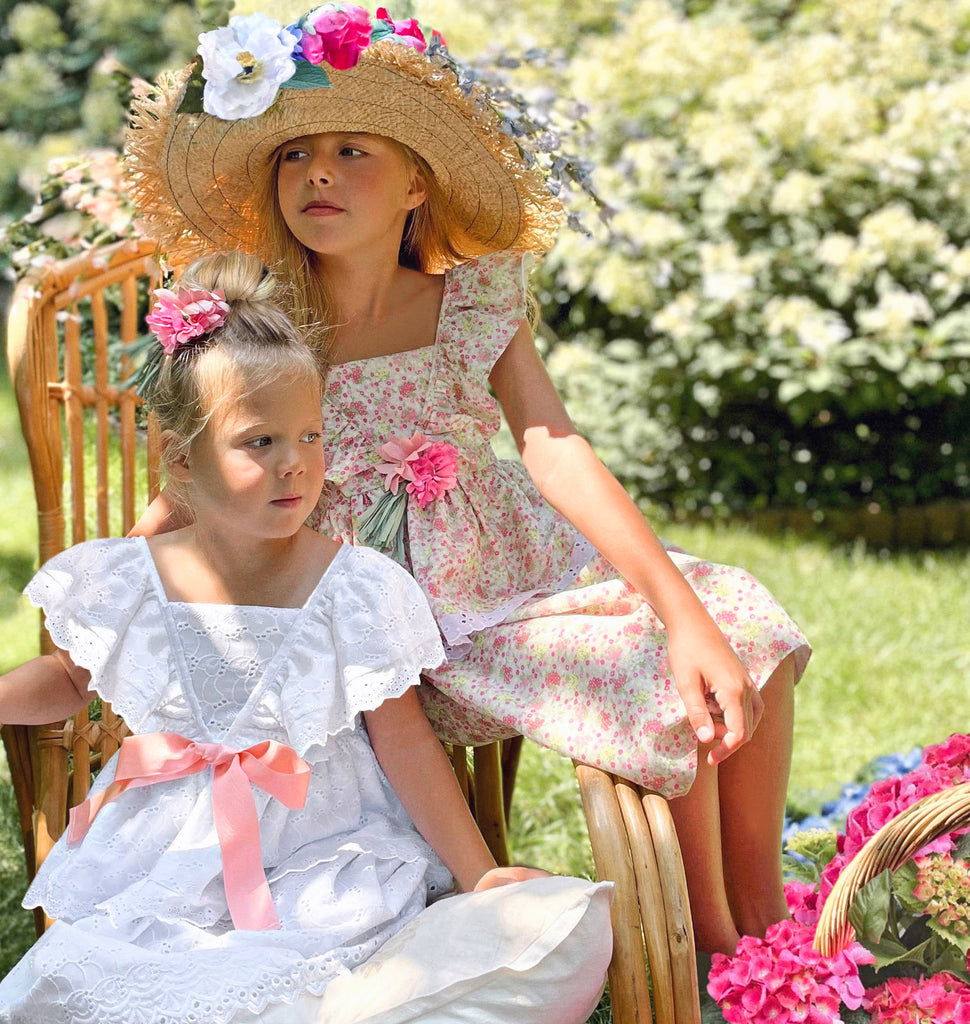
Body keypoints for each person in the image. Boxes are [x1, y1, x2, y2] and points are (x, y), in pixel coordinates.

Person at [126, 5, 812, 954]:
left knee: (742, 618)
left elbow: (553, 446)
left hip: (519, 571)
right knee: (653, 667)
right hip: (411, 623)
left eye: (353, 148)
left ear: (417, 182)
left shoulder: (471, 295)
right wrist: (121, 588)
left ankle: (765, 921)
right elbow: (198, 470)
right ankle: (710, 943)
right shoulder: (265, 328)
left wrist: (684, 608)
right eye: (294, 153)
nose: (317, 170)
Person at [0, 253, 613, 1024]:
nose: (294, 464)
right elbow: (66, 681)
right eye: (258, 442)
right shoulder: (127, 577)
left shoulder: (356, 586)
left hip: (326, 852)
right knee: (86, 983)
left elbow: (405, 743)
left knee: (342, 972)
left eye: (312, 435)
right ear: (183, 463)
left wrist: (479, 875)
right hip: (166, 847)